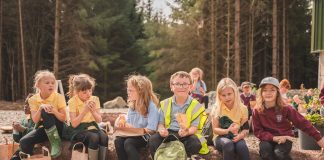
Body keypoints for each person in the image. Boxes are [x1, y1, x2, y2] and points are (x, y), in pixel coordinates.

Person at [252, 77, 324, 160]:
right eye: (265, 90)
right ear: (261, 93)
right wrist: (273, 138)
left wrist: (319, 138)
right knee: (265, 151)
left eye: (272, 90)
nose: (268, 93)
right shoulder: (257, 110)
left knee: (279, 153)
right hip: (267, 139)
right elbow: (258, 131)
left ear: (277, 93)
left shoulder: (285, 108)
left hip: (284, 138)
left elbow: (302, 122)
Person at [148, 71, 209, 159]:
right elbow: (161, 123)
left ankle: (185, 157)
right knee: (153, 139)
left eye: (185, 84)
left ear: (190, 87)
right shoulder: (165, 103)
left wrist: (187, 132)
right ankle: (160, 157)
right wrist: (161, 130)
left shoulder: (196, 106)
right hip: (168, 133)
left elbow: (194, 127)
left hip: (186, 134)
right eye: (177, 84)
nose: (181, 87)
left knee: (195, 142)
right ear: (171, 87)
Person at [17, 70, 66, 159]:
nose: (51, 85)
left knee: (45, 110)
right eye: (47, 83)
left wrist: (54, 111)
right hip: (46, 129)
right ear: (38, 85)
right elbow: (35, 120)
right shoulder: (33, 99)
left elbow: (63, 118)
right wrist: (40, 108)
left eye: (52, 83)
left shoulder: (59, 97)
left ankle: (55, 143)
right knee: (24, 141)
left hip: (59, 127)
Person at [114, 75, 160, 160]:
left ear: (141, 91)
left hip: (145, 136)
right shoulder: (132, 105)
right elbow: (130, 123)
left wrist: (134, 129)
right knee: (118, 141)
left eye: (131, 90)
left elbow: (152, 129)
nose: (128, 92)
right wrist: (124, 121)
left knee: (129, 143)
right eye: (128, 89)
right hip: (133, 134)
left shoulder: (151, 106)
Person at [68, 74, 108, 160]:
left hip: (93, 127)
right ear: (77, 91)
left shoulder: (95, 99)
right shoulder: (72, 101)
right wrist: (85, 110)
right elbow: (74, 124)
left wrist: (93, 111)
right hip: (79, 129)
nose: (88, 94)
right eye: (84, 92)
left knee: (104, 136)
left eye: (90, 90)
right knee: (94, 137)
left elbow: (99, 120)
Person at [211, 78, 250, 160]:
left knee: (242, 147)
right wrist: (227, 131)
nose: (227, 97)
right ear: (219, 96)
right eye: (223, 95)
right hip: (220, 137)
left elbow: (246, 128)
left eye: (229, 94)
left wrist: (240, 136)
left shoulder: (243, 108)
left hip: (237, 136)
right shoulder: (216, 108)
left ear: (235, 93)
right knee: (228, 144)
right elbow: (215, 129)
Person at [10, 94, 35, 160]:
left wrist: (23, 129)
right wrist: (15, 130)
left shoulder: (39, 119)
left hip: (35, 149)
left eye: (28, 104)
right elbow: (17, 140)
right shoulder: (24, 120)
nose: (25, 106)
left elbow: (39, 133)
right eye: (25, 103)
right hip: (23, 149)